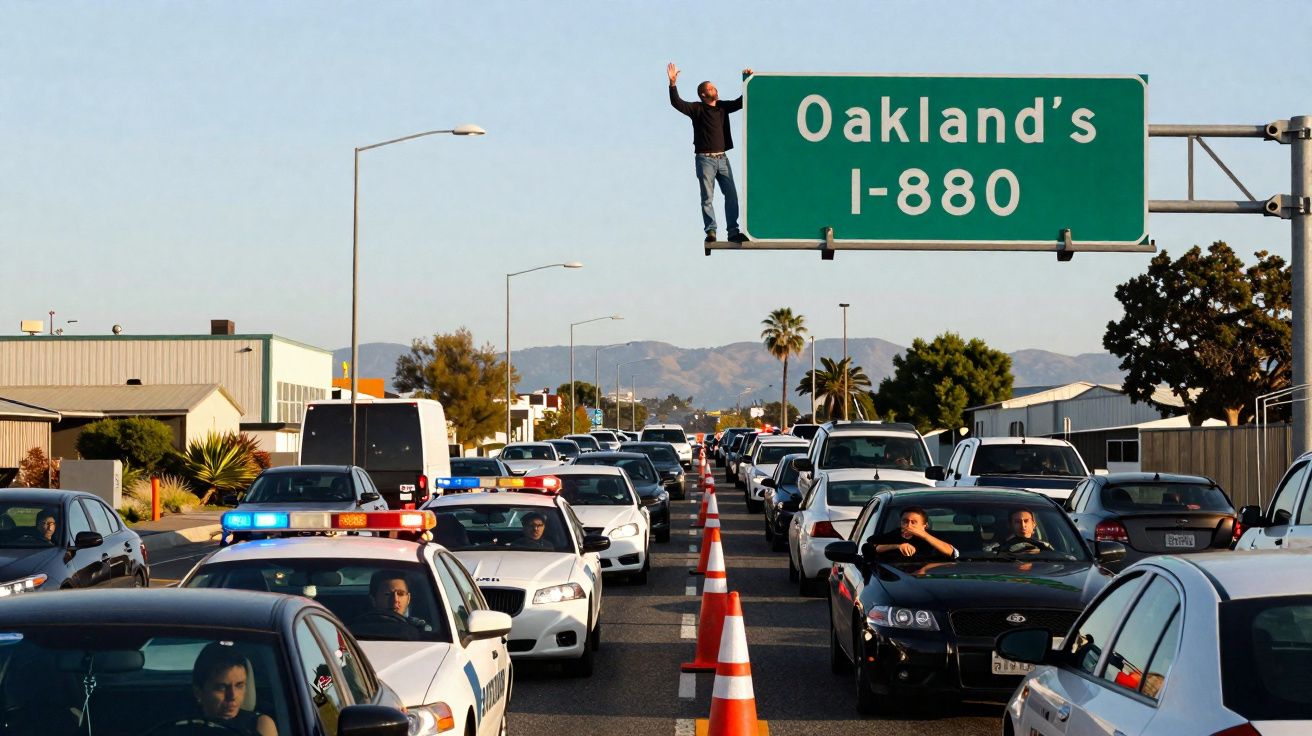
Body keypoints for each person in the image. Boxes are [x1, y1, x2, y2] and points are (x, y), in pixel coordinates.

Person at [667, 62, 753, 244]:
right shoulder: (697, 109)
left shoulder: (722, 107)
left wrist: (747, 79)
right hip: (705, 160)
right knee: (707, 197)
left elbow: (741, 102)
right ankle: (711, 231)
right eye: (711, 88)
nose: (715, 89)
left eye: (714, 87)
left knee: (731, 196)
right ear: (704, 94)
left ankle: (733, 232)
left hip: (722, 159)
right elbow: (677, 103)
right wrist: (672, 84)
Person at [191, 642, 278, 736]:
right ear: (198, 693)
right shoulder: (184, 726)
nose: (233, 695)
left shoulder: (259, 725)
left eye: (239, 686)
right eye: (222, 687)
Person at [350, 571, 432, 641]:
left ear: (408, 599)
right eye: (387, 594)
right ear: (373, 599)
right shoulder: (352, 631)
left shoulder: (422, 630)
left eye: (400, 594)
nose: (395, 600)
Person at [862, 507, 957, 561]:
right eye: (905, 521)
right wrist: (897, 546)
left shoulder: (933, 539)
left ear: (925, 526)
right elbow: (868, 547)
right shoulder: (892, 536)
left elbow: (951, 552)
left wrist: (923, 535)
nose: (908, 525)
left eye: (914, 522)